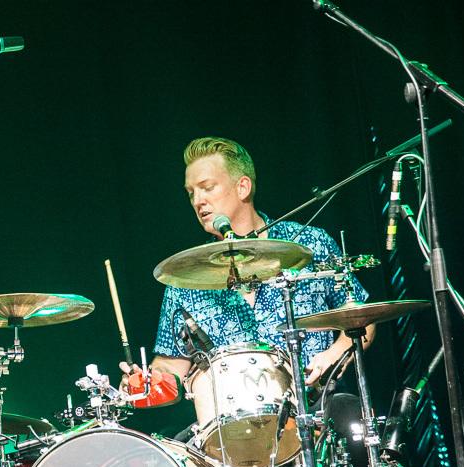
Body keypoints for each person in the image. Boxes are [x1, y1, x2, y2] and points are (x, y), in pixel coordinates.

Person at [125, 136, 375, 391]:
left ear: (242, 187)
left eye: (207, 187)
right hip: (230, 424)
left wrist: (334, 354)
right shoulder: (184, 277)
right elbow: (172, 364)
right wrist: (147, 381)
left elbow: (361, 317)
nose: (197, 200)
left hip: (318, 407)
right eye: (191, 193)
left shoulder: (309, 242)